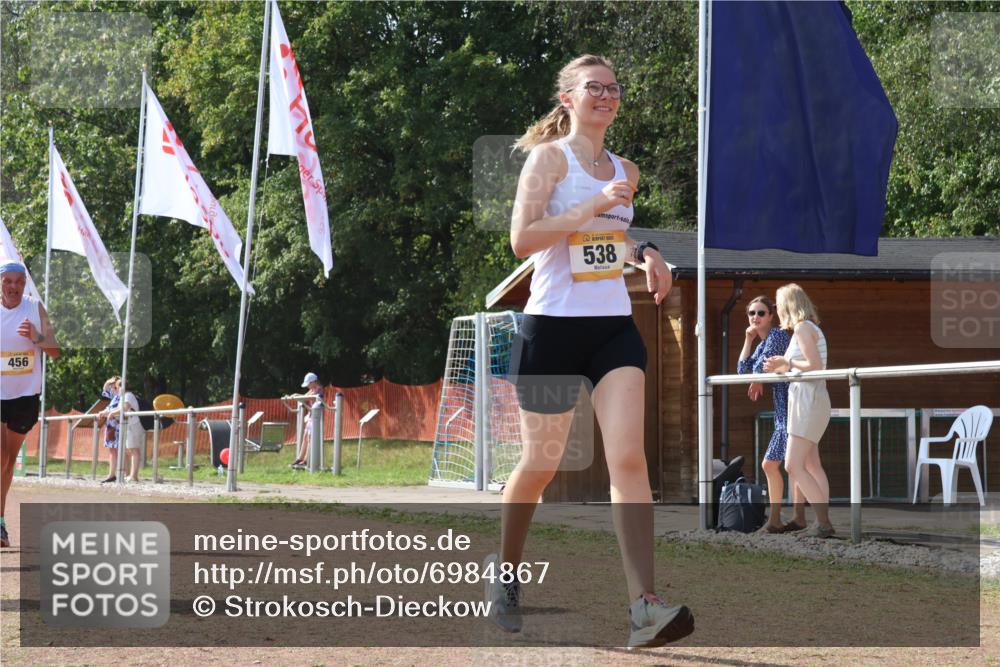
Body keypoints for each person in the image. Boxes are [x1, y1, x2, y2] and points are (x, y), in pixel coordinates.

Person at [485, 54, 693, 648]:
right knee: (541, 465)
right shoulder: (548, 160)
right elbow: (522, 240)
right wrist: (592, 205)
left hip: (611, 330)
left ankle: (644, 607)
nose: (606, 95)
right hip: (550, 329)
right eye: (593, 87)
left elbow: (610, 239)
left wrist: (646, 254)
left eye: (613, 88)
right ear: (568, 99)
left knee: (628, 459)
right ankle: (505, 574)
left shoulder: (626, 168)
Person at [763, 284, 834, 538]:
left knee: (793, 465)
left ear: (788, 305)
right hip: (807, 399)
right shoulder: (805, 329)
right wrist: (783, 367)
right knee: (811, 464)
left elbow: (814, 365)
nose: (777, 310)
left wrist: (786, 362)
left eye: (778, 305)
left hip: (808, 400)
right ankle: (821, 522)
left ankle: (823, 523)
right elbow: (806, 366)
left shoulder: (803, 328)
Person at [1, 261, 60, 548]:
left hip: (25, 396)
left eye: (19, 281)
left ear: (24, 283)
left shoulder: (35, 308)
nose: (13, 287)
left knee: (8, 462)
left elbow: (55, 351)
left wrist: (36, 337)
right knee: (0, 457)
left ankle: (0, 522)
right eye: (8, 281)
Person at [737, 295, 806, 533]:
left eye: (761, 313)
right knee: (794, 465)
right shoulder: (762, 342)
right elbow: (743, 370)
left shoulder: (777, 336)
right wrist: (748, 339)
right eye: (751, 313)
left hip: (792, 409)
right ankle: (797, 518)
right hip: (784, 411)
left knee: (772, 464)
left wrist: (758, 379)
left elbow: (761, 369)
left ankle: (778, 519)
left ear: (771, 316)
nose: (755, 317)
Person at [96, 376, 145, 483]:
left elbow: (124, 408)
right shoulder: (121, 396)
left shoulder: (127, 396)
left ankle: (132, 476)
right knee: (129, 449)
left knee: (131, 450)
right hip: (127, 425)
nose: (114, 389)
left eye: (115, 387)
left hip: (129, 424)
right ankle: (130, 475)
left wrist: (111, 413)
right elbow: (106, 392)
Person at [289, 372, 323, 469]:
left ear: (313, 382)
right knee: (305, 437)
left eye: (308, 384)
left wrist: (297, 397)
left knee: (310, 438)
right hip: (311, 416)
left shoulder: (319, 389)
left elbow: (307, 397)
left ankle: (306, 460)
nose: (307, 386)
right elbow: (304, 396)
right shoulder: (312, 389)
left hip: (316, 417)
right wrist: (296, 395)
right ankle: (299, 458)